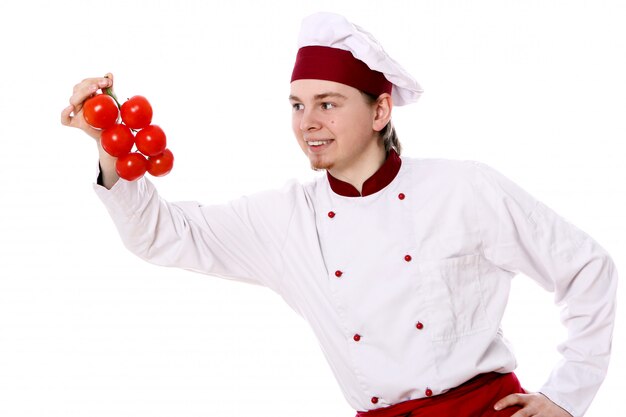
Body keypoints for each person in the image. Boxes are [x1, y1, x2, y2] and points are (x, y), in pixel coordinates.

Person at [61, 12, 617, 417]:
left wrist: (567, 395)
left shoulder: (463, 187)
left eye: (328, 103)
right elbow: (161, 235)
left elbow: (587, 268)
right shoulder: (285, 220)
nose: (308, 122)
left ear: (380, 110)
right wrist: (110, 145)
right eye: (297, 105)